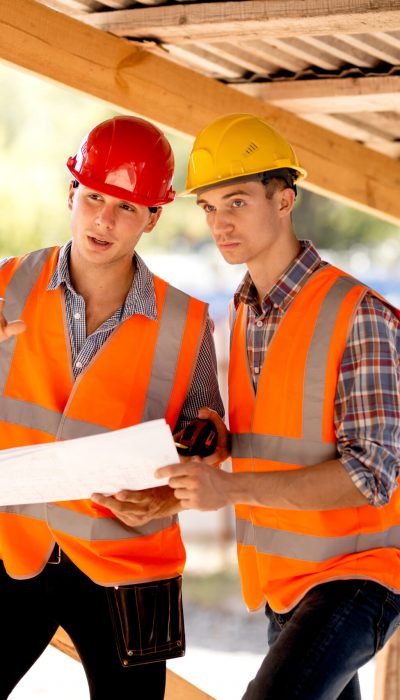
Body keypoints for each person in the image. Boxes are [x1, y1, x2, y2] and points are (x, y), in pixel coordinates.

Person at [158, 113, 400, 699]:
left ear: (285, 199)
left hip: (360, 575)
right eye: (209, 207)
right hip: (283, 579)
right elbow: (283, 433)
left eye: (237, 201)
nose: (220, 223)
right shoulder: (245, 310)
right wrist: (220, 440)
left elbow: (372, 473)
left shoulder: (359, 312)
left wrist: (230, 492)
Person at [0, 114, 224, 700]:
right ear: (71, 192)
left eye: (126, 206)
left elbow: (209, 435)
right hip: (13, 551)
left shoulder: (188, 323)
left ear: (154, 215)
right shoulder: (5, 288)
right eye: (94, 197)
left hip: (130, 565)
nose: (103, 218)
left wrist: (167, 494)